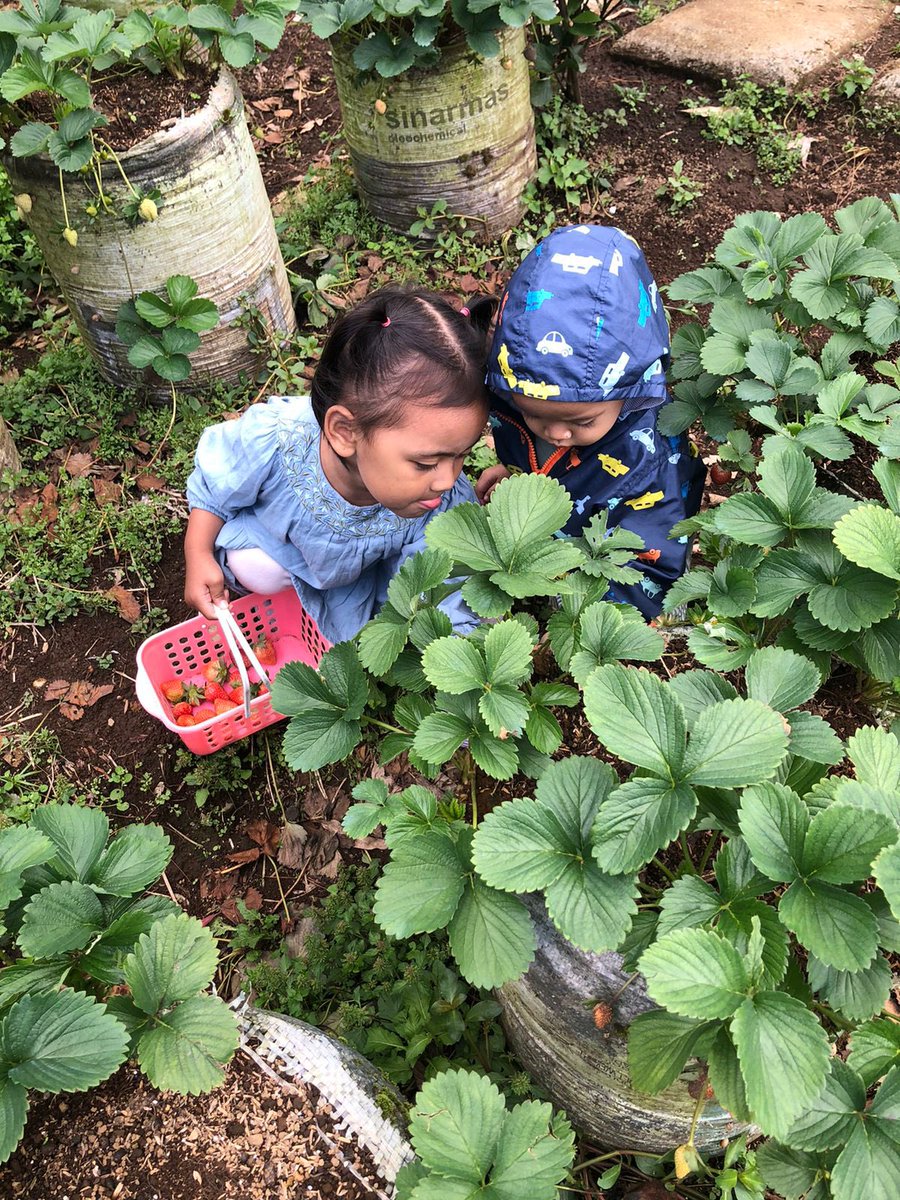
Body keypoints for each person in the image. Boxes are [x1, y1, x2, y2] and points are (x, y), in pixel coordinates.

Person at [184, 288, 495, 643]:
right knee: (256, 568)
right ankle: (286, 597)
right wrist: (198, 554)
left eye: (461, 455)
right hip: (282, 550)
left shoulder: (436, 499)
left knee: (393, 615)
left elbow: (445, 579)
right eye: (425, 463)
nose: (446, 478)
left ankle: (332, 617)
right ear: (345, 432)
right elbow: (215, 485)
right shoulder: (276, 439)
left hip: (356, 580)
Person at [475, 224, 705, 618]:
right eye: (534, 414)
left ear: (629, 386)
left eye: (581, 422)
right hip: (555, 546)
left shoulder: (647, 460)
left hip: (612, 582)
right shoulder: (516, 397)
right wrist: (515, 480)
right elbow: (546, 459)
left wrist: (579, 598)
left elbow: (655, 565)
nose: (556, 434)